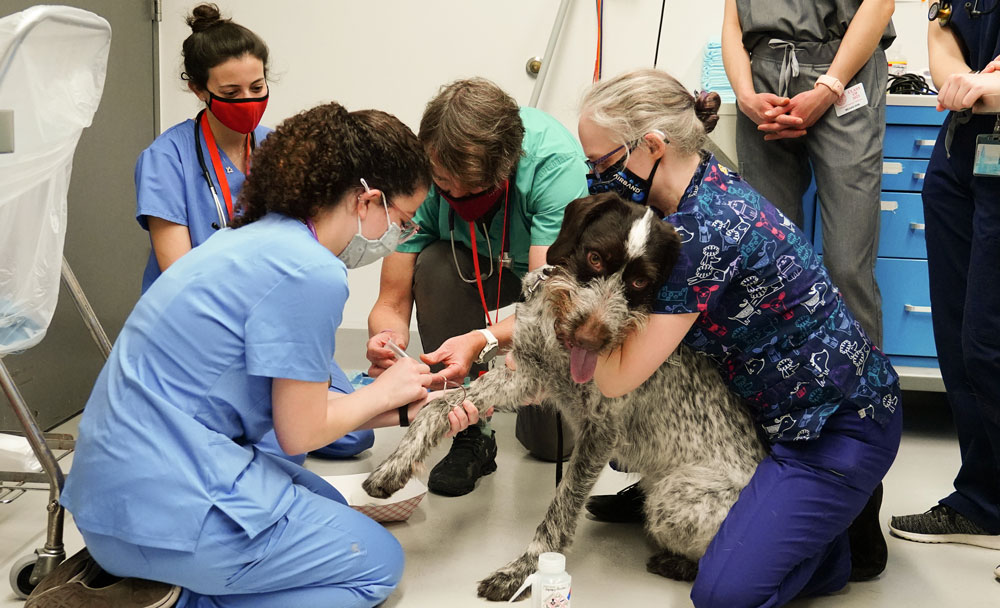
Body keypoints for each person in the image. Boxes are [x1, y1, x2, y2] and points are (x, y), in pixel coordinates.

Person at [48, 102, 484, 608]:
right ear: (368, 200)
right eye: (402, 220)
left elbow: (284, 414)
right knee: (376, 566)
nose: (398, 236)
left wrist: (415, 407)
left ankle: (151, 580)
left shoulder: (253, 239)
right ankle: (179, 600)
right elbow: (300, 431)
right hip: (159, 512)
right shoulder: (310, 271)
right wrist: (387, 389)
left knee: (320, 499)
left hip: (114, 500)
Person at [578, 69, 901, 606]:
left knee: (724, 594)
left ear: (652, 146)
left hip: (837, 427)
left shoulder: (696, 234)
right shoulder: (706, 178)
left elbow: (613, 378)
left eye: (603, 162)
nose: (593, 177)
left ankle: (834, 550)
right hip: (776, 414)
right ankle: (820, 517)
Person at [135, 3, 372, 460]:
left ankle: (251, 429)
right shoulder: (167, 159)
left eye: (257, 87)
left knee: (352, 433)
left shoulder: (278, 148)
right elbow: (179, 275)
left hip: (275, 321)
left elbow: (310, 241)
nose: (247, 100)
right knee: (288, 441)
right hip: (208, 327)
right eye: (231, 90)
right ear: (198, 88)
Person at [366, 77, 588, 497]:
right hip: (474, 265)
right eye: (447, 185)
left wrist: (485, 338)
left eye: (476, 188)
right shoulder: (423, 177)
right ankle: (472, 433)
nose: (458, 196)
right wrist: (386, 337)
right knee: (434, 265)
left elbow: (549, 302)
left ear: (508, 166)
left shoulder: (553, 166)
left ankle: (516, 404)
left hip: (554, 286)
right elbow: (390, 299)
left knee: (550, 446)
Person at [888, 5, 1000, 577]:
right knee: (959, 343)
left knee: (990, 342)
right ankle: (983, 503)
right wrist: (966, 79)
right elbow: (942, 31)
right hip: (962, 147)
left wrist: (983, 85)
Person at [720, 0, 896, 349]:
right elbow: (732, 22)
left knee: (848, 266)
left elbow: (880, 5)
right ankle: (780, 392)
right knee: (767, 262)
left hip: (846, 70)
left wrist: (829, 87)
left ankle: (864, 395)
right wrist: (744, 96)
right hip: (764, 78)